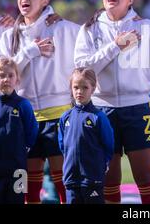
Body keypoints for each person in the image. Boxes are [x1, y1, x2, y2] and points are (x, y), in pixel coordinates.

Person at [74, 0, 150, 204]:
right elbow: (81, 70)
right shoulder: (89, 29)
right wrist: (115, 46)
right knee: (108, 178)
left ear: (130, 0)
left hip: (137, 107)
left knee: (146, 177)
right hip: (101, 108)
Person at [0, 0, 80, 204]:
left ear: (45, 1)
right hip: (23, 115)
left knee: (63, 178)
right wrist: (30, 51)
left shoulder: (64, 28)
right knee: (24, 180)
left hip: (59, 114)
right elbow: (4, 73)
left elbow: (92, 36)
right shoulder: (7, 36)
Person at [58, 67, 114, 204]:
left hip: (92, 178)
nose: (79, 91)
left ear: (93, 89)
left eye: (85, 87)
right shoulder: (65, 117)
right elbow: (62, 145)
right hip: (71, 179)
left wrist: (101, 164)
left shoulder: (98, 117)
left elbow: (108, 144)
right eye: (76, 87)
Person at [0, 56, 38, 204]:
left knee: (17, 199)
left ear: (17, 79)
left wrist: (22, 150)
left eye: (10, 75)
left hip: (18, 169)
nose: (6, 79)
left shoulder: (23, 104)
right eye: (1, 76)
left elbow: (32, 131)